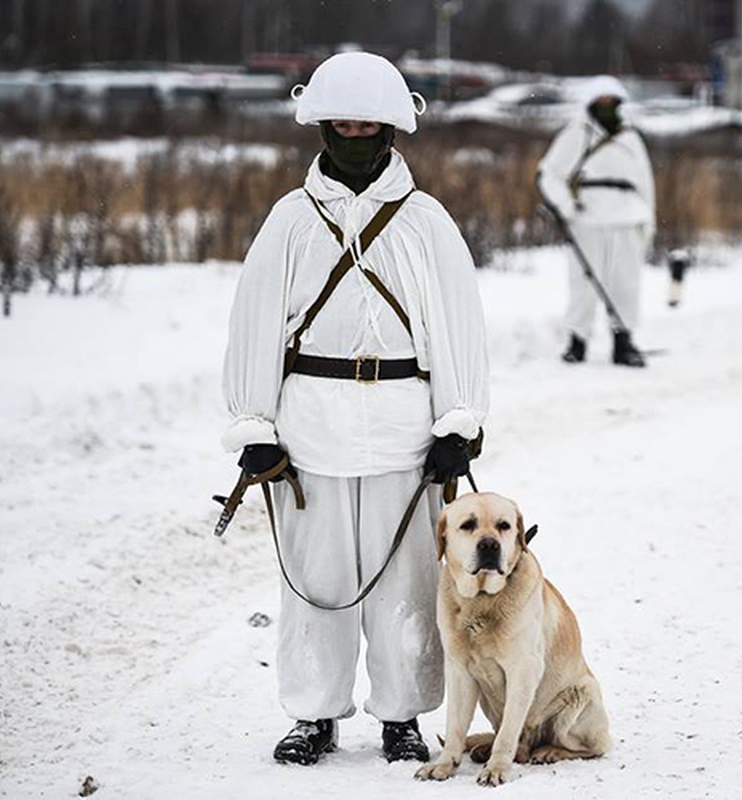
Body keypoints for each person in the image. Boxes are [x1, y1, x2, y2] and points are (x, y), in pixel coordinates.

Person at [221, 52, 489, 767]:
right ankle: (314, 713)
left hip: (405, 428)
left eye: (366, 123)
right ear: (321, 126)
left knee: (408, 582)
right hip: (311, 430)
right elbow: (254, 325)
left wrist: (457, 424)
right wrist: (255, 427)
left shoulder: (426, 222)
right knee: (316, 582)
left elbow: (459, 324)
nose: (353, 134)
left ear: (391, 130)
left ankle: (401, 715)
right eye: (341, 122)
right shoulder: (289, 221)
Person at [537, 75, 656, 367]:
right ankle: (577, 342)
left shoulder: (630, 137)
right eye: (600, 101)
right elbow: (549, 173)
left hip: (628, 215)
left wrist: (648, 219)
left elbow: (645, 181)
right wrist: (565, 206)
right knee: (583, 282)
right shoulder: (576, 133)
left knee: (626, 282)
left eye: (611, 101)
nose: (606, 105)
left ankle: (623, 341)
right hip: (587, 215)